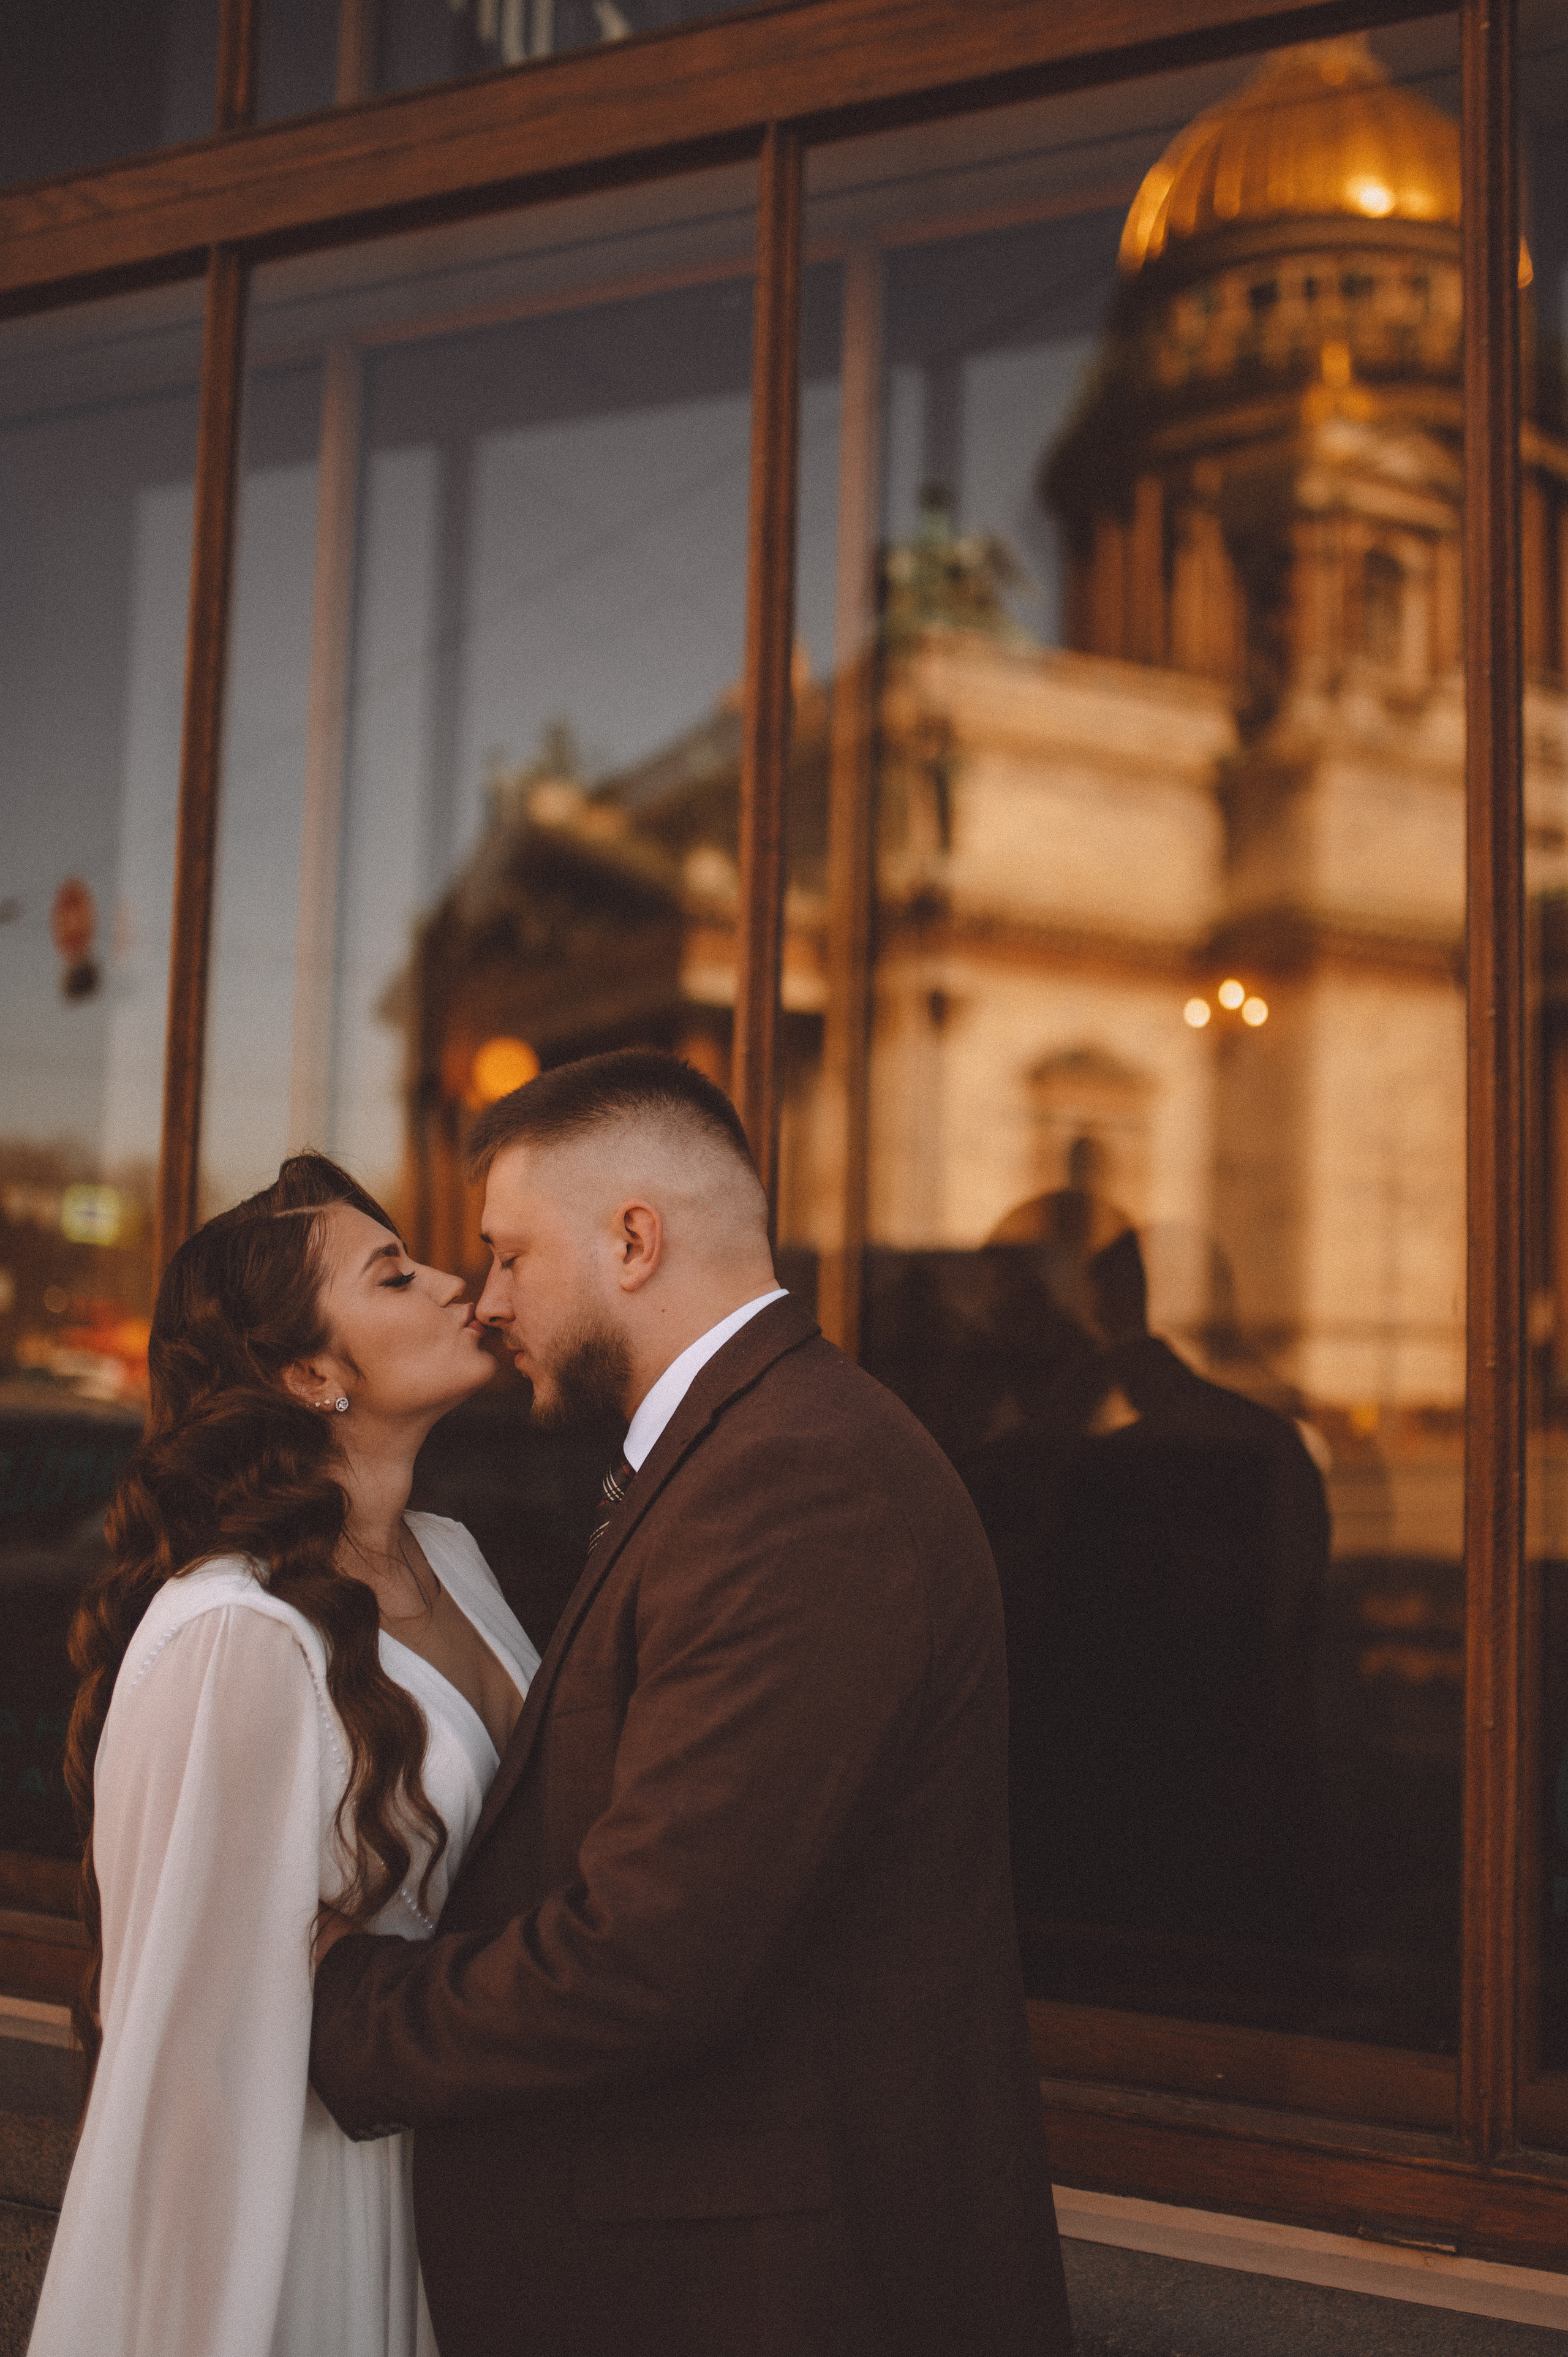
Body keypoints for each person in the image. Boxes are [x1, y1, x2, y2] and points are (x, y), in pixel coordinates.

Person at [309, 1049, 1072, 2357]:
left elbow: (653, 1956)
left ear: (633, 1239)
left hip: (773, 2293)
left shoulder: (795, 1480)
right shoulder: (747, 1446)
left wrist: (345, 2007)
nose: (487, 1302)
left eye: (508, 1256)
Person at [28, 1155, 539, 2357]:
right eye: (395, 1274)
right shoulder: (234, 1635)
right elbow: (186, 2062)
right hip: (317, 2212)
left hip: (472, 2194)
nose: (456, 1281)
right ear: (312, 1371)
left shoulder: (453, 1555)